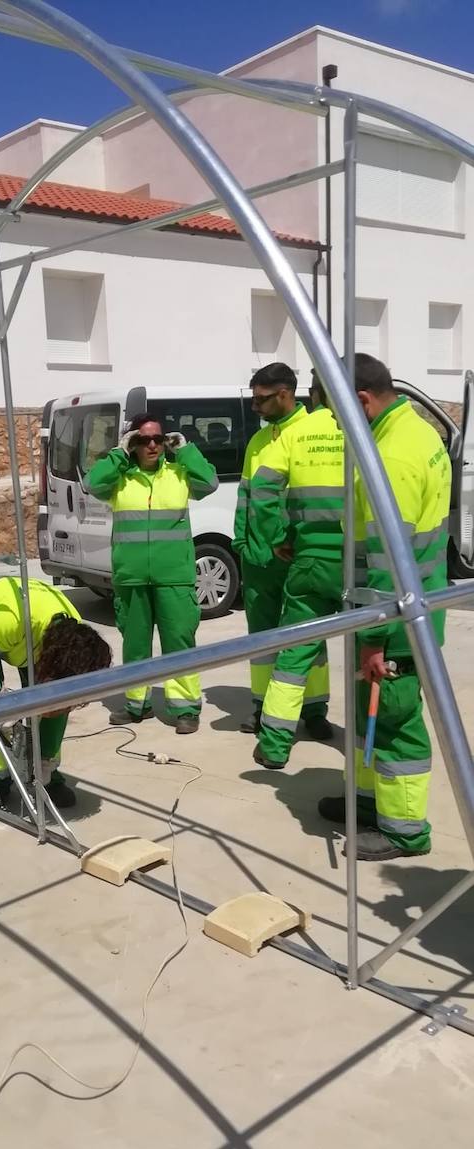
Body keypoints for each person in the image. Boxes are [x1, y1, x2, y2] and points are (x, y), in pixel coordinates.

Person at [319, 354, 451, 860]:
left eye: (336, 411)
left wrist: (375, 635)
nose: (333, 422)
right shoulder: (415, 435)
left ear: (361, 402)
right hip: (408, 603)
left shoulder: (391, 458)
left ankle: (403, 830)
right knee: (369, 711)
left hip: (394, 616)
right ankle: (367, 800)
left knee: (393, 717)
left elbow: (387, 560)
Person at [85, 412, 218, 734]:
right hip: (132, 578)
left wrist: (184, 449)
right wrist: (118, 453)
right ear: (133, 444)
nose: (153, 445)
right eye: (143, 439)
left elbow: (210, 482)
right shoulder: (120, 479)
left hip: (174, 576)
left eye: (158, 439)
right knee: (135, 644)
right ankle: (136, 704)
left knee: (180, 643)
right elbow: (92, 484)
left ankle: (185, 708)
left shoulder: (179, 474)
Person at [250, 370, 344, 768]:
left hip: (310, 559)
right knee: (371, 656)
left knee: (294, 653)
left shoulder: (297, 434)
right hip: (367, 563)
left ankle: (273, 745)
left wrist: (277, 536)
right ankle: (360, 753)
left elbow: (263, 488)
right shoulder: (366, 431)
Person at [233, 363, 331, 737]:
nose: (255, 407)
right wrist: (242, 541)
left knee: (307, 634)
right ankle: (262, 706)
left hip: (296, 555)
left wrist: (284, 539)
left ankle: (314, 708)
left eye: (261, 399)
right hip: (259, 558)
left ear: (286, 394)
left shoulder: (314, 432)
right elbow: (247, 496)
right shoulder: (260, 441)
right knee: (261, 638)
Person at [0, 576, 111, 808]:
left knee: (55, 702)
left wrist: (46, 760)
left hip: (36, 636)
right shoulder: (10, 621)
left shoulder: (73, 632)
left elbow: (59, 698)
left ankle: (46, 770)